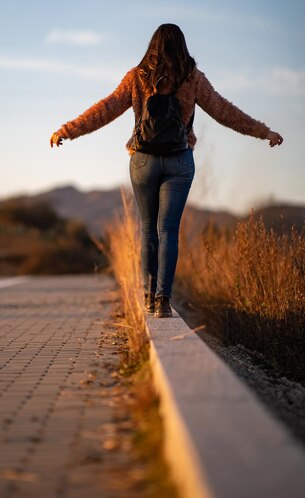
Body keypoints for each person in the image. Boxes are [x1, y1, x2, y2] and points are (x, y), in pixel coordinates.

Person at [50, 24, 283, 318]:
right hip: (179, 160)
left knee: (148, 229)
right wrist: (264, 132)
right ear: (182, 47)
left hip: (143, 160)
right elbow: (225, 111)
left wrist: (68, 130)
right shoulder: (193, 79)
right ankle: (163, 301)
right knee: (168, 230)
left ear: (152, 45)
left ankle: (147, 297)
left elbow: (106, 108)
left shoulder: (137, 77)